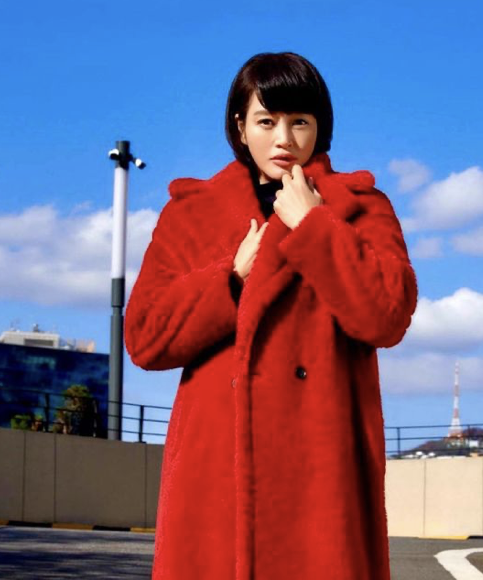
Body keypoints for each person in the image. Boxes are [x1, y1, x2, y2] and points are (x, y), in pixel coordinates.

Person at [124, 51, 418, 580]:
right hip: (216, 471)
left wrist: (315, 227)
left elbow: (387, 316)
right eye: (266, 122)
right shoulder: (192, 213)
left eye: (299, 121)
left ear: (320, 127)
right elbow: (144, 337)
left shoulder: (361, 207)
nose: (284, 139)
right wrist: (230, 279)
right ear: (240, 127)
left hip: (322, 466)